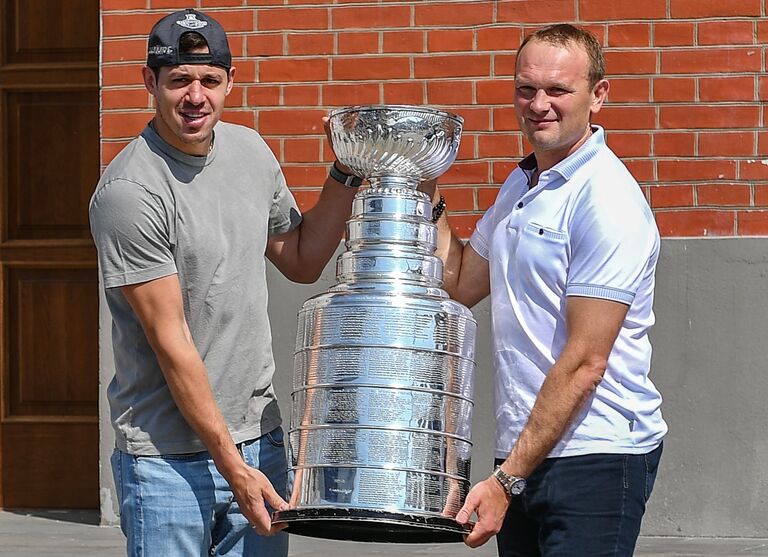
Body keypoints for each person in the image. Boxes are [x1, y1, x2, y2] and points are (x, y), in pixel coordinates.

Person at [89, 9, 363, 557]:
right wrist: (231, 466)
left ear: (230, 83)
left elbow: (303, 260)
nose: (196, 96)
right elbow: (173, 346)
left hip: (259, 441)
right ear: (150, 82)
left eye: (210, 80)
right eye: (179, 80)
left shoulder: (250, 152)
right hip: (166, 462)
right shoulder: (130, 192)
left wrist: (348, 171)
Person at [423, 24, 667, 556]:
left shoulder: (606, 200)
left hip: (595, 456)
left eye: (558, 91)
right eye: (526, 89)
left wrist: (506, 481)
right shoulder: (524, 183)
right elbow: (461, 282)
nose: (539, 105)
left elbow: (586, 362)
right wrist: (428, 192)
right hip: (526, 450)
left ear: (598, 95)